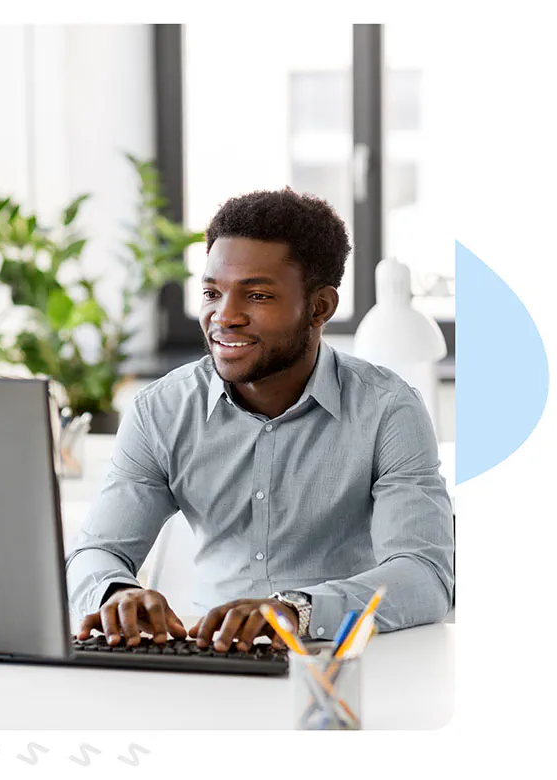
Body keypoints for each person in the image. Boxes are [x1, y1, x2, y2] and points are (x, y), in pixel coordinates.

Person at [65, 188, 454, 653]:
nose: (223, 317)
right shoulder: (161, 411)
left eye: (257, 295)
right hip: (206, 663)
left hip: (342, 663)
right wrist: (116, 593)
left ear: (320, 307)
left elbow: (424, 575)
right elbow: (95, 552)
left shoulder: (388, 410)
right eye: (211, 292)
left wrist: (296, 610)